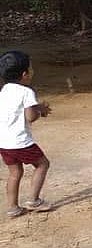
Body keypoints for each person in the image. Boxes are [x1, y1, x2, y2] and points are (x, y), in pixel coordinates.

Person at [0, 50, 53, 218]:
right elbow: (30, 117)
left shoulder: (4, 90)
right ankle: (33, 200)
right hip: (21, 142)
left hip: (4, 143)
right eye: (31, 68)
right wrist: (41, 111)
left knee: (15, 173)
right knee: (43, 164)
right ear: (25, 74)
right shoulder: (26, 91)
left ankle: (13, 207)